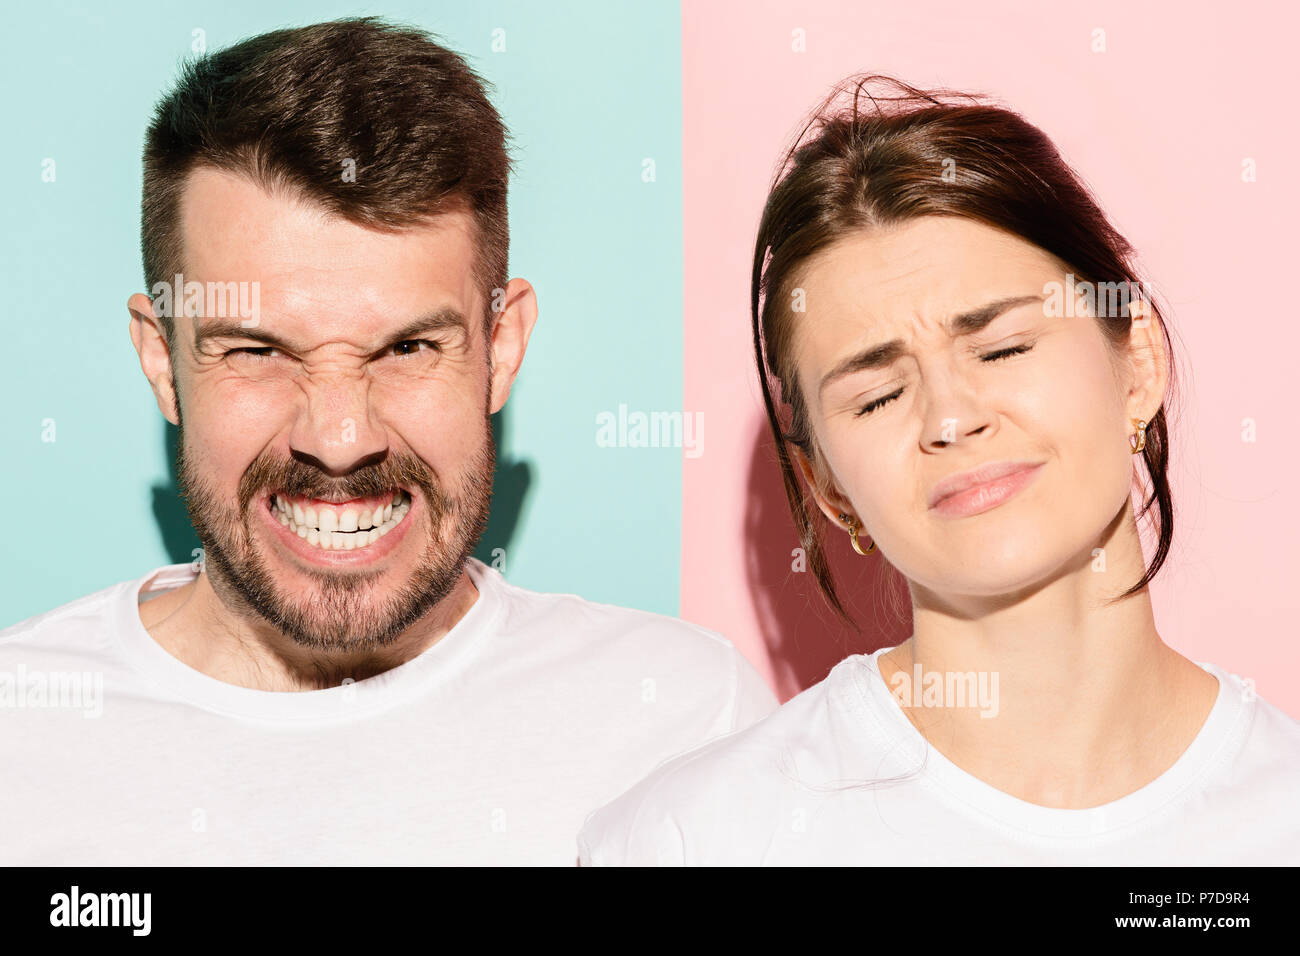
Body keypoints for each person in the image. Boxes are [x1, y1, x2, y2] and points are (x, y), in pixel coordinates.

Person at [0, 17, 777, 866]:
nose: (339, 439)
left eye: (408, 348)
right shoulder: (21, 731)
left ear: (501, 347)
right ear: (161, 358)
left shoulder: (684, 719)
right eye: (257, 351)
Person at [578, 75, 1300, 865]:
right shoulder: (695, 842)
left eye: (1004, 348)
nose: (951, 418)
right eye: (879, 396)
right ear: (827, 488)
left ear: (1138, 367)